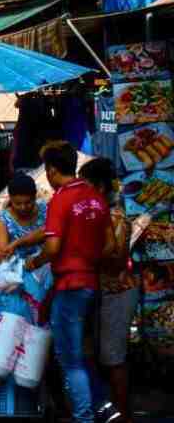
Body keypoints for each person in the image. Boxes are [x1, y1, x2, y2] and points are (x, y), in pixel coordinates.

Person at [25, 142, 116, 423]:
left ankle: (87, 415)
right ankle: (103, 406)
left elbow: (52, 247)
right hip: (91, 284)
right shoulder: (95, 197)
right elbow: (111, 245)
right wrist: (87, 258)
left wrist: (35, 262)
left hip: (70, 284)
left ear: (52, 170)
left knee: (70, 357)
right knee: (80, 352)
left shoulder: (61, 199)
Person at [80, 158, 134, 423]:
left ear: (99, 187)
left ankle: (123, 416)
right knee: (98, 355)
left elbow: (113, 256)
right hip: (102, 290)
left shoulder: (114, 215)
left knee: (113, 357)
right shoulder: (99, 211)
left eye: (86, 185)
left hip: (117, 291)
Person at [0, 172, 47, 322]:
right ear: (10, 199)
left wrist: (17, 243)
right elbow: (3, 252)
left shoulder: (46, 210)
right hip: (16, 280)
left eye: (28, 202)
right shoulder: (3, 218)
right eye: (17, 203)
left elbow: (47, 232)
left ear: (35, 197)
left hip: (44, 274)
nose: (23, 207)